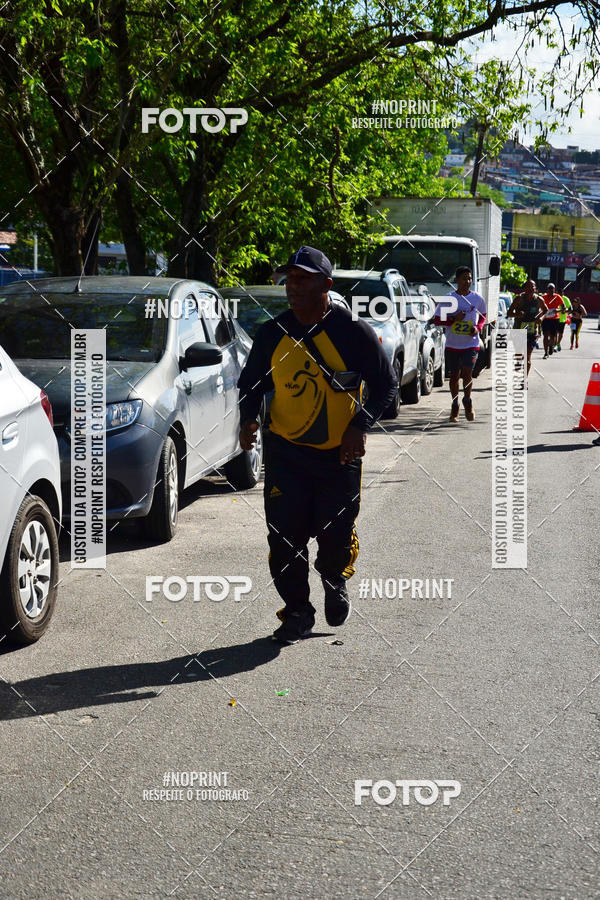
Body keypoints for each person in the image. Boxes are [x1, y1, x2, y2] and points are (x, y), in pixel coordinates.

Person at [237, 246, 397, 644]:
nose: (293, 287)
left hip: (340, 455)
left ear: (326, 284)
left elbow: (387, 386)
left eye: (303, 279)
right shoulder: (273, 332)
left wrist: (359, 426)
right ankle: (297, 612)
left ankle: (334, 577)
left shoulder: (352, 332)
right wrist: (249, 418)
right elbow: (251, 383)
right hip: (286, 452)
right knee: (283, 537)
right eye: (290, 279)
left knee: (335, 534)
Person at [433, 266, 486, 422]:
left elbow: (483, 316)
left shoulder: (477, 298)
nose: (467, 281)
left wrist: (478, 328)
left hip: (471, 344)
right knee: (455, 376)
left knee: (467, 373)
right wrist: (453, 319)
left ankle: (467, 401)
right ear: (456, 280)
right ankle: (455, 404)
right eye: (464, 278)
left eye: (469, 278)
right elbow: (437, 320)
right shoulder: (449, 298)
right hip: (452, 345)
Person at [507, 280, 547, 380]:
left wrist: (541, 318)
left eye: (532, 287)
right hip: (518, 330)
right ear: (524, 288)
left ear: (535, 288)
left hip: (532, 331)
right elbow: (509, 313)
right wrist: (517, 314)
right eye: (528, 287)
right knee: (519, 353)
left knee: (528, 355)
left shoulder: (539, 299)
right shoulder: (519, 299)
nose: (530, 289)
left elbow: (546, 310)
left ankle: (524, 380)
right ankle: (518, 359)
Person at [541, 283, 565, 357]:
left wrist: (558, 310)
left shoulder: (557, 297)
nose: (551, 290)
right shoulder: (543, 297)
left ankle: (551, 346)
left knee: (553, 336)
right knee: (545, 335)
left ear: (554, 289)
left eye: (552, 288)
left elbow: (563, 307)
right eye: (550, 288)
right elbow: (539, 306)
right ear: (547, 289)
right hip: (545, 318)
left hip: (554, 319)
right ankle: (545, 352)